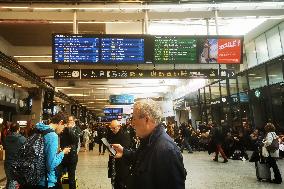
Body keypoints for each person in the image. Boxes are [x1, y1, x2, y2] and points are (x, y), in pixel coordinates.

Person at [112, 99, 186, 189]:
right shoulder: (148, 141)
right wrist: (124, 152)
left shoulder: (166, 151)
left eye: (134, 119)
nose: (132, 123)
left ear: (146, 119)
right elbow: (141, 158)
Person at [21, 112, 71, 189]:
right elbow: (50, 165)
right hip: (45, 181)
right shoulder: (52, 135)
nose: (63, 130)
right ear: (60, 122)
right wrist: (62, 153)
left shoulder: (38, 129)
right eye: (64, 126)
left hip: (32, 177)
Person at [59, 115, 81, 189]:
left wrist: (70, 129)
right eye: (68, 121)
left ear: (74, 121)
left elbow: (75, 140)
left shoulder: (77, 129)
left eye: (70, 120)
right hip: (62, 155)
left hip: (72, 157)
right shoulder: (64, 128)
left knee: (71, 177)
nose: (69, 122)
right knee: (59, 175)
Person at [108, 120, 131, 189]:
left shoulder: (125, 135)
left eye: (114, 128)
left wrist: (115, 151)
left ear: (119, 127)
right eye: (111, 128)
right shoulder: (113, 134)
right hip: (114, 162)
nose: (112, 130)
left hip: (122, 164)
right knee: (114, 182)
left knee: (121, 183)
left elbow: (125, 150)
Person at [3, 123, 26, 189]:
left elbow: (5, 148)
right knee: (14, 183)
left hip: (7, 163)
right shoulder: (22, 139)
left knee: (10, 181)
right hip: (17, 165)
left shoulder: (6, 139)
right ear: (18, 129)